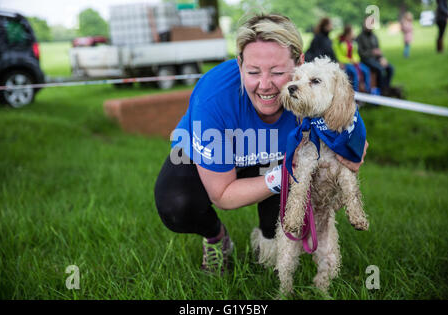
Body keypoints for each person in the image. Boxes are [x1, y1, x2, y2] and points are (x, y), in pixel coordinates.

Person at [154, 14, 368, 274]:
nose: (266, 86)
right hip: (217, 151)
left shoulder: (314, 87)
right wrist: (285, 175)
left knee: (288, 207)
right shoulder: (213, 97)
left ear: (300, 62)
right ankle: (216, 237)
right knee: (176, 204)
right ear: (239, 64)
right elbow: (222, 194)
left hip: (273, 155)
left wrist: (353, 149)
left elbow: (351, 135)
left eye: (278, 73)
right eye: (253, 72)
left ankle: (268, 238)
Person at [356, 17, 395, 96]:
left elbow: (378, 50)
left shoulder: (374, 36)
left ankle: (386, 88)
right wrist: (372, 52)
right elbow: (360, 53)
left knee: (390, 68)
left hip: (376, 59)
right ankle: (381, 91)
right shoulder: (359, 37)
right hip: (365, 60)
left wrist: (382, 58)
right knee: (380, 69)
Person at [334, 24, 371, 93]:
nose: (354, 34)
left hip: (354, 62)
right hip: (346, 63)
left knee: (366, 70)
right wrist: (349, 60)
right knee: (354, 73)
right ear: (348, 33)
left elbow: (355, 54)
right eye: (352, 32)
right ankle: (355, 93)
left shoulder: (354, 43)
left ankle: (367, 91)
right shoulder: (339, 42)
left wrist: (356, 60)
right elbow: (339, 56)